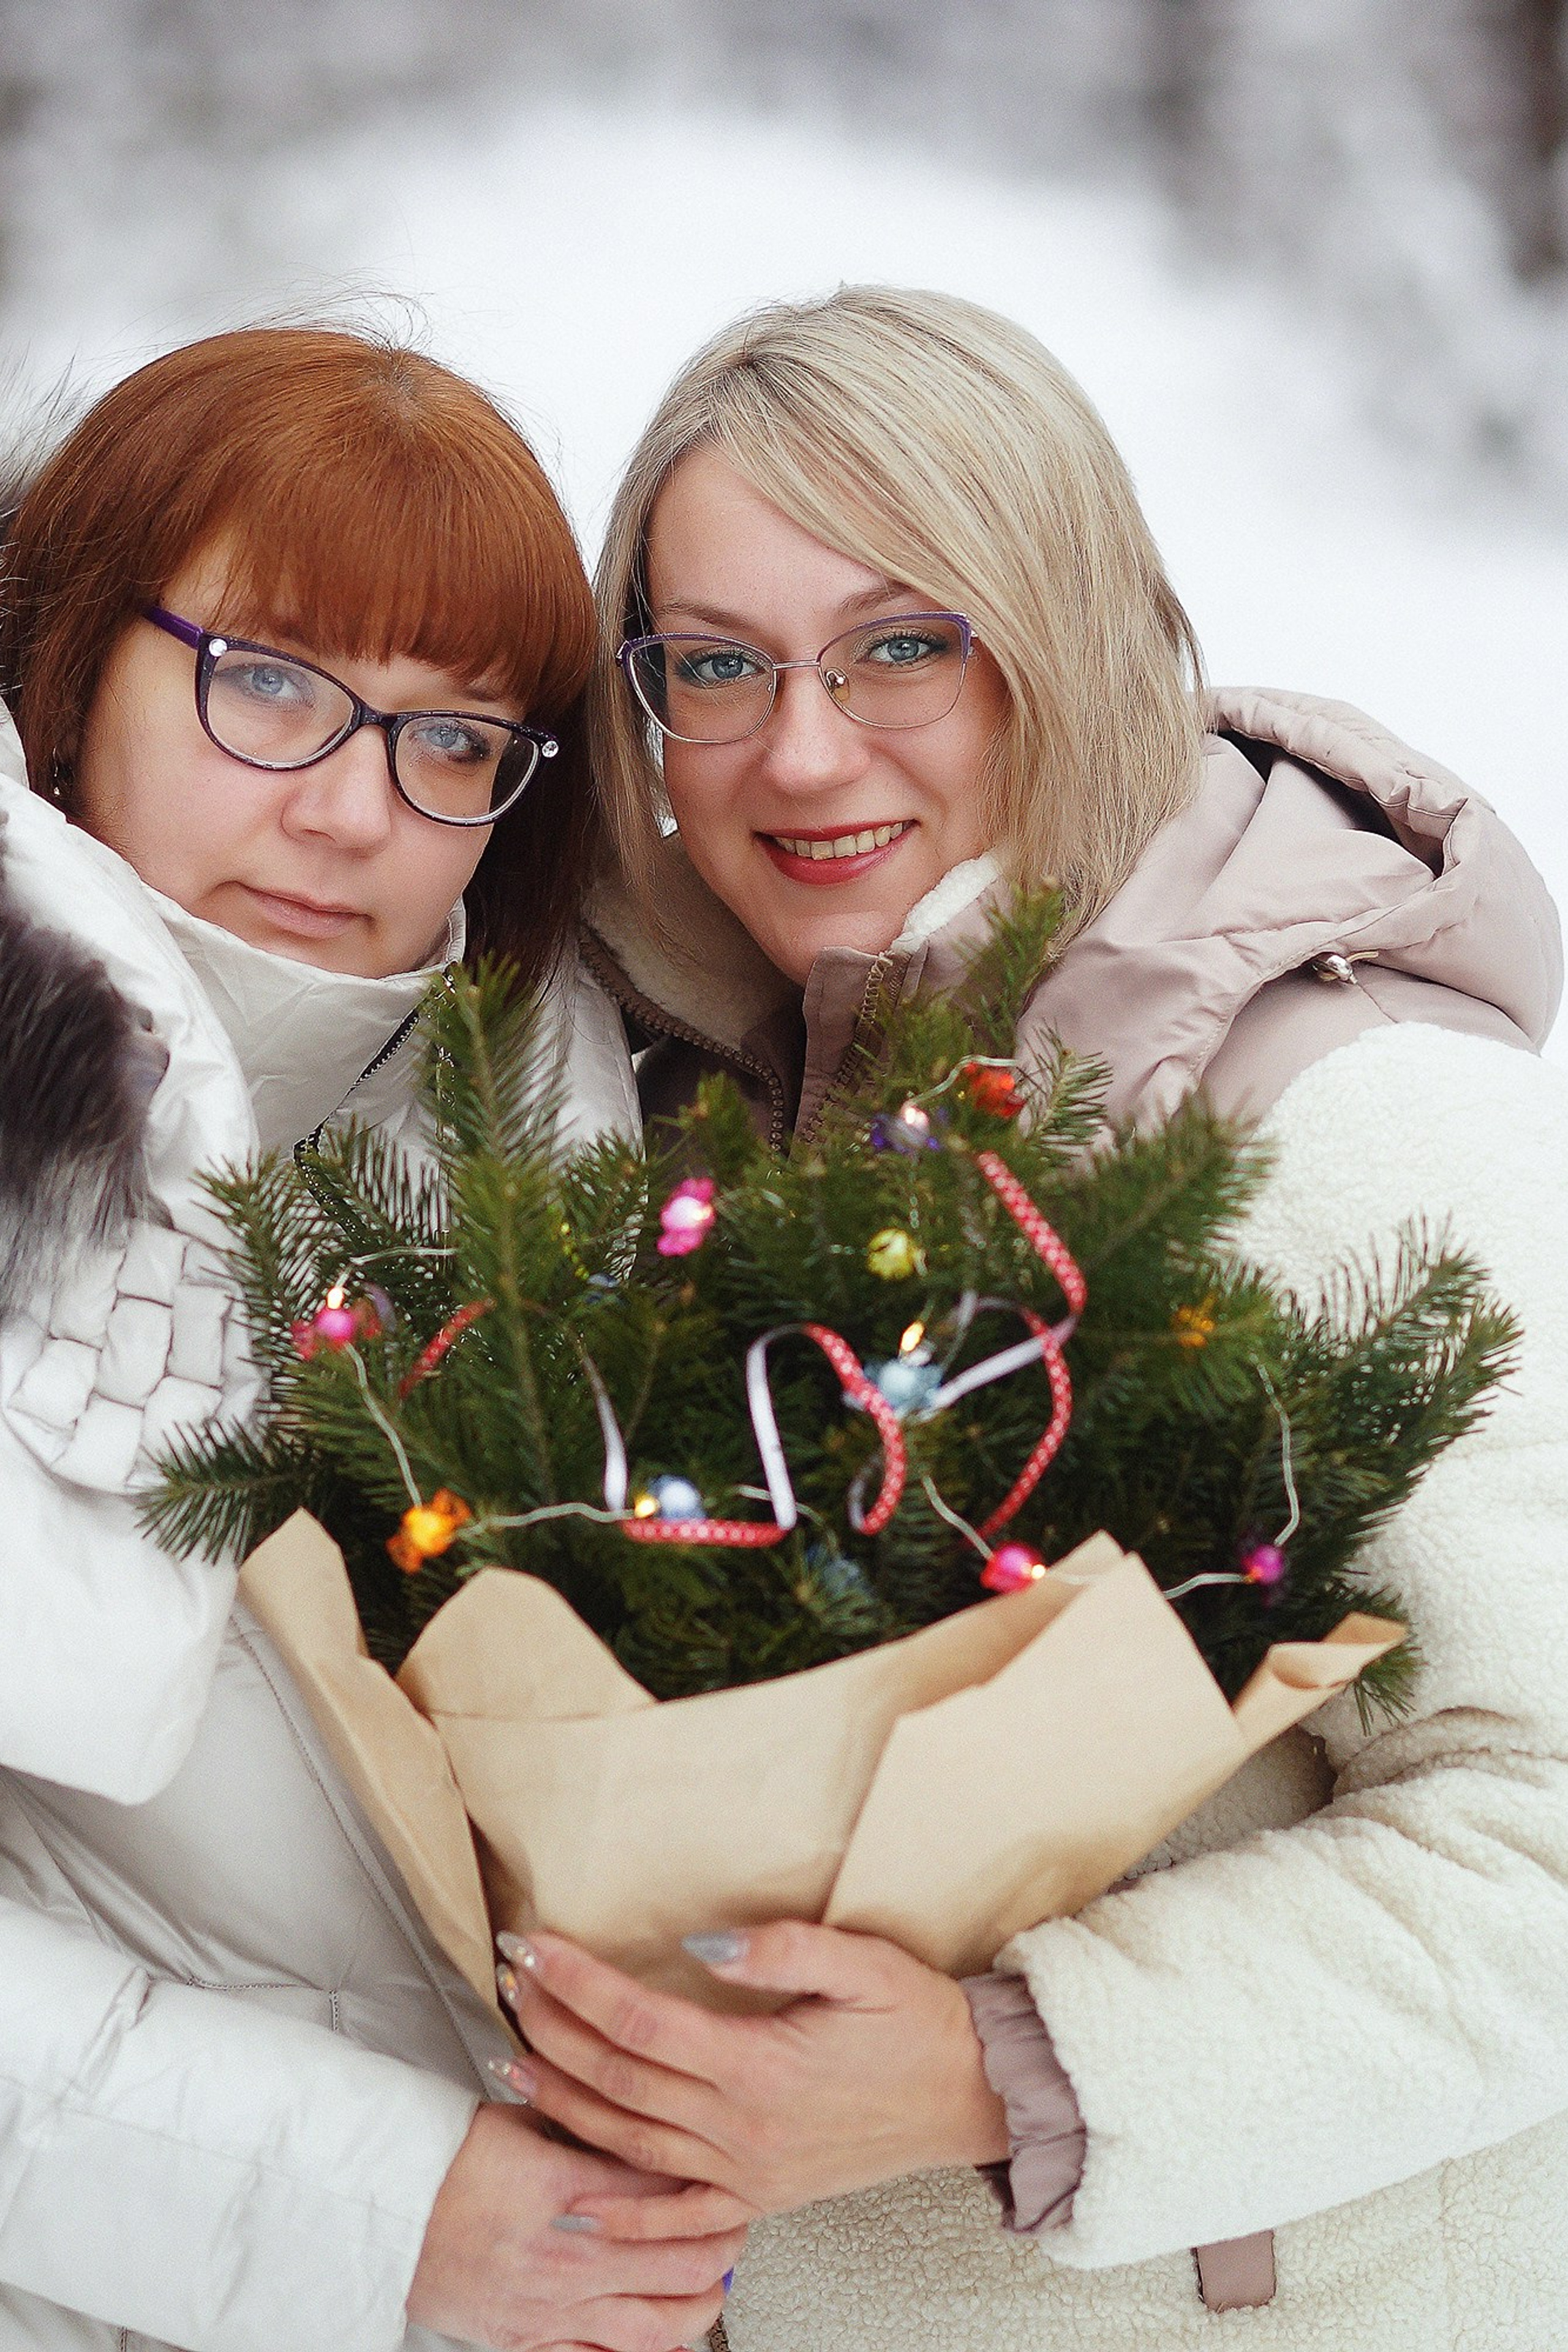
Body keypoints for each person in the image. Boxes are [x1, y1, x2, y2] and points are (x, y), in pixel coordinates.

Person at [492, 287, 1568, 2352]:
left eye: (903, 642)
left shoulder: (1349, 1128)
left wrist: (1011, 2068)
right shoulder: (653, 1133)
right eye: (715, 663)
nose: (802, 750)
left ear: (1065, 633)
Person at [0, 325, 744, 2352]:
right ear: (70, 663)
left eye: (451, 738)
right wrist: (378, 2214)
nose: (352, 813)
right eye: (265, 682)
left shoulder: (586, 1136)